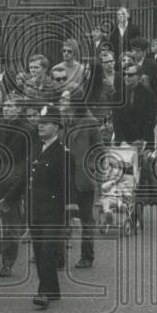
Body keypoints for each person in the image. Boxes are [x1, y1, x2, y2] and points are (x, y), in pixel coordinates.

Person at [23, 105, 75, 310]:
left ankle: (43, 292)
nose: (40, 126)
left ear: (57, 127)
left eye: (45, 123)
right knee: (39, 248)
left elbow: (68, 184)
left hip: (54, 210)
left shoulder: (63, 153)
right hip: (36, 208)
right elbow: (28, 178)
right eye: (39, 123)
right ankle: (52, 288)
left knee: (46, 250)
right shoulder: (36, 148)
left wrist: (71, 214)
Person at [0, 93, 30, 278]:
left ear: (19, 109)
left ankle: (8, 263)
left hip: (15, 181)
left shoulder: (28, 129)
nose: (6, 108)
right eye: (5, 105)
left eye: (10, 106)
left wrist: (20, 182)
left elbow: (28, 159)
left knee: (11, 225)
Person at [60, 88, 101, 268]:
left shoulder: (90, 121)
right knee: (61, 217)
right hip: (63, 175)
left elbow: (98, 149)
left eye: (65, 99)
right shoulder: (60, 121)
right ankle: (59, 257)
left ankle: (87, 255)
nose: (61, 102)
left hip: (82, 176)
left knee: (85, 218)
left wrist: (90, 166)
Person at [112, 63, 157, 148]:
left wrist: (142, 140)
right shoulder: (117, 96)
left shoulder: (148, 94)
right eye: (124, 74)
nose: (126, 77)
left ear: (138, 76)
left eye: (130, 75)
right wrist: (121, 141)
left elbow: (151, 120)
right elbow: (116, 121)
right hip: (124, 142)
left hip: (143, 141)